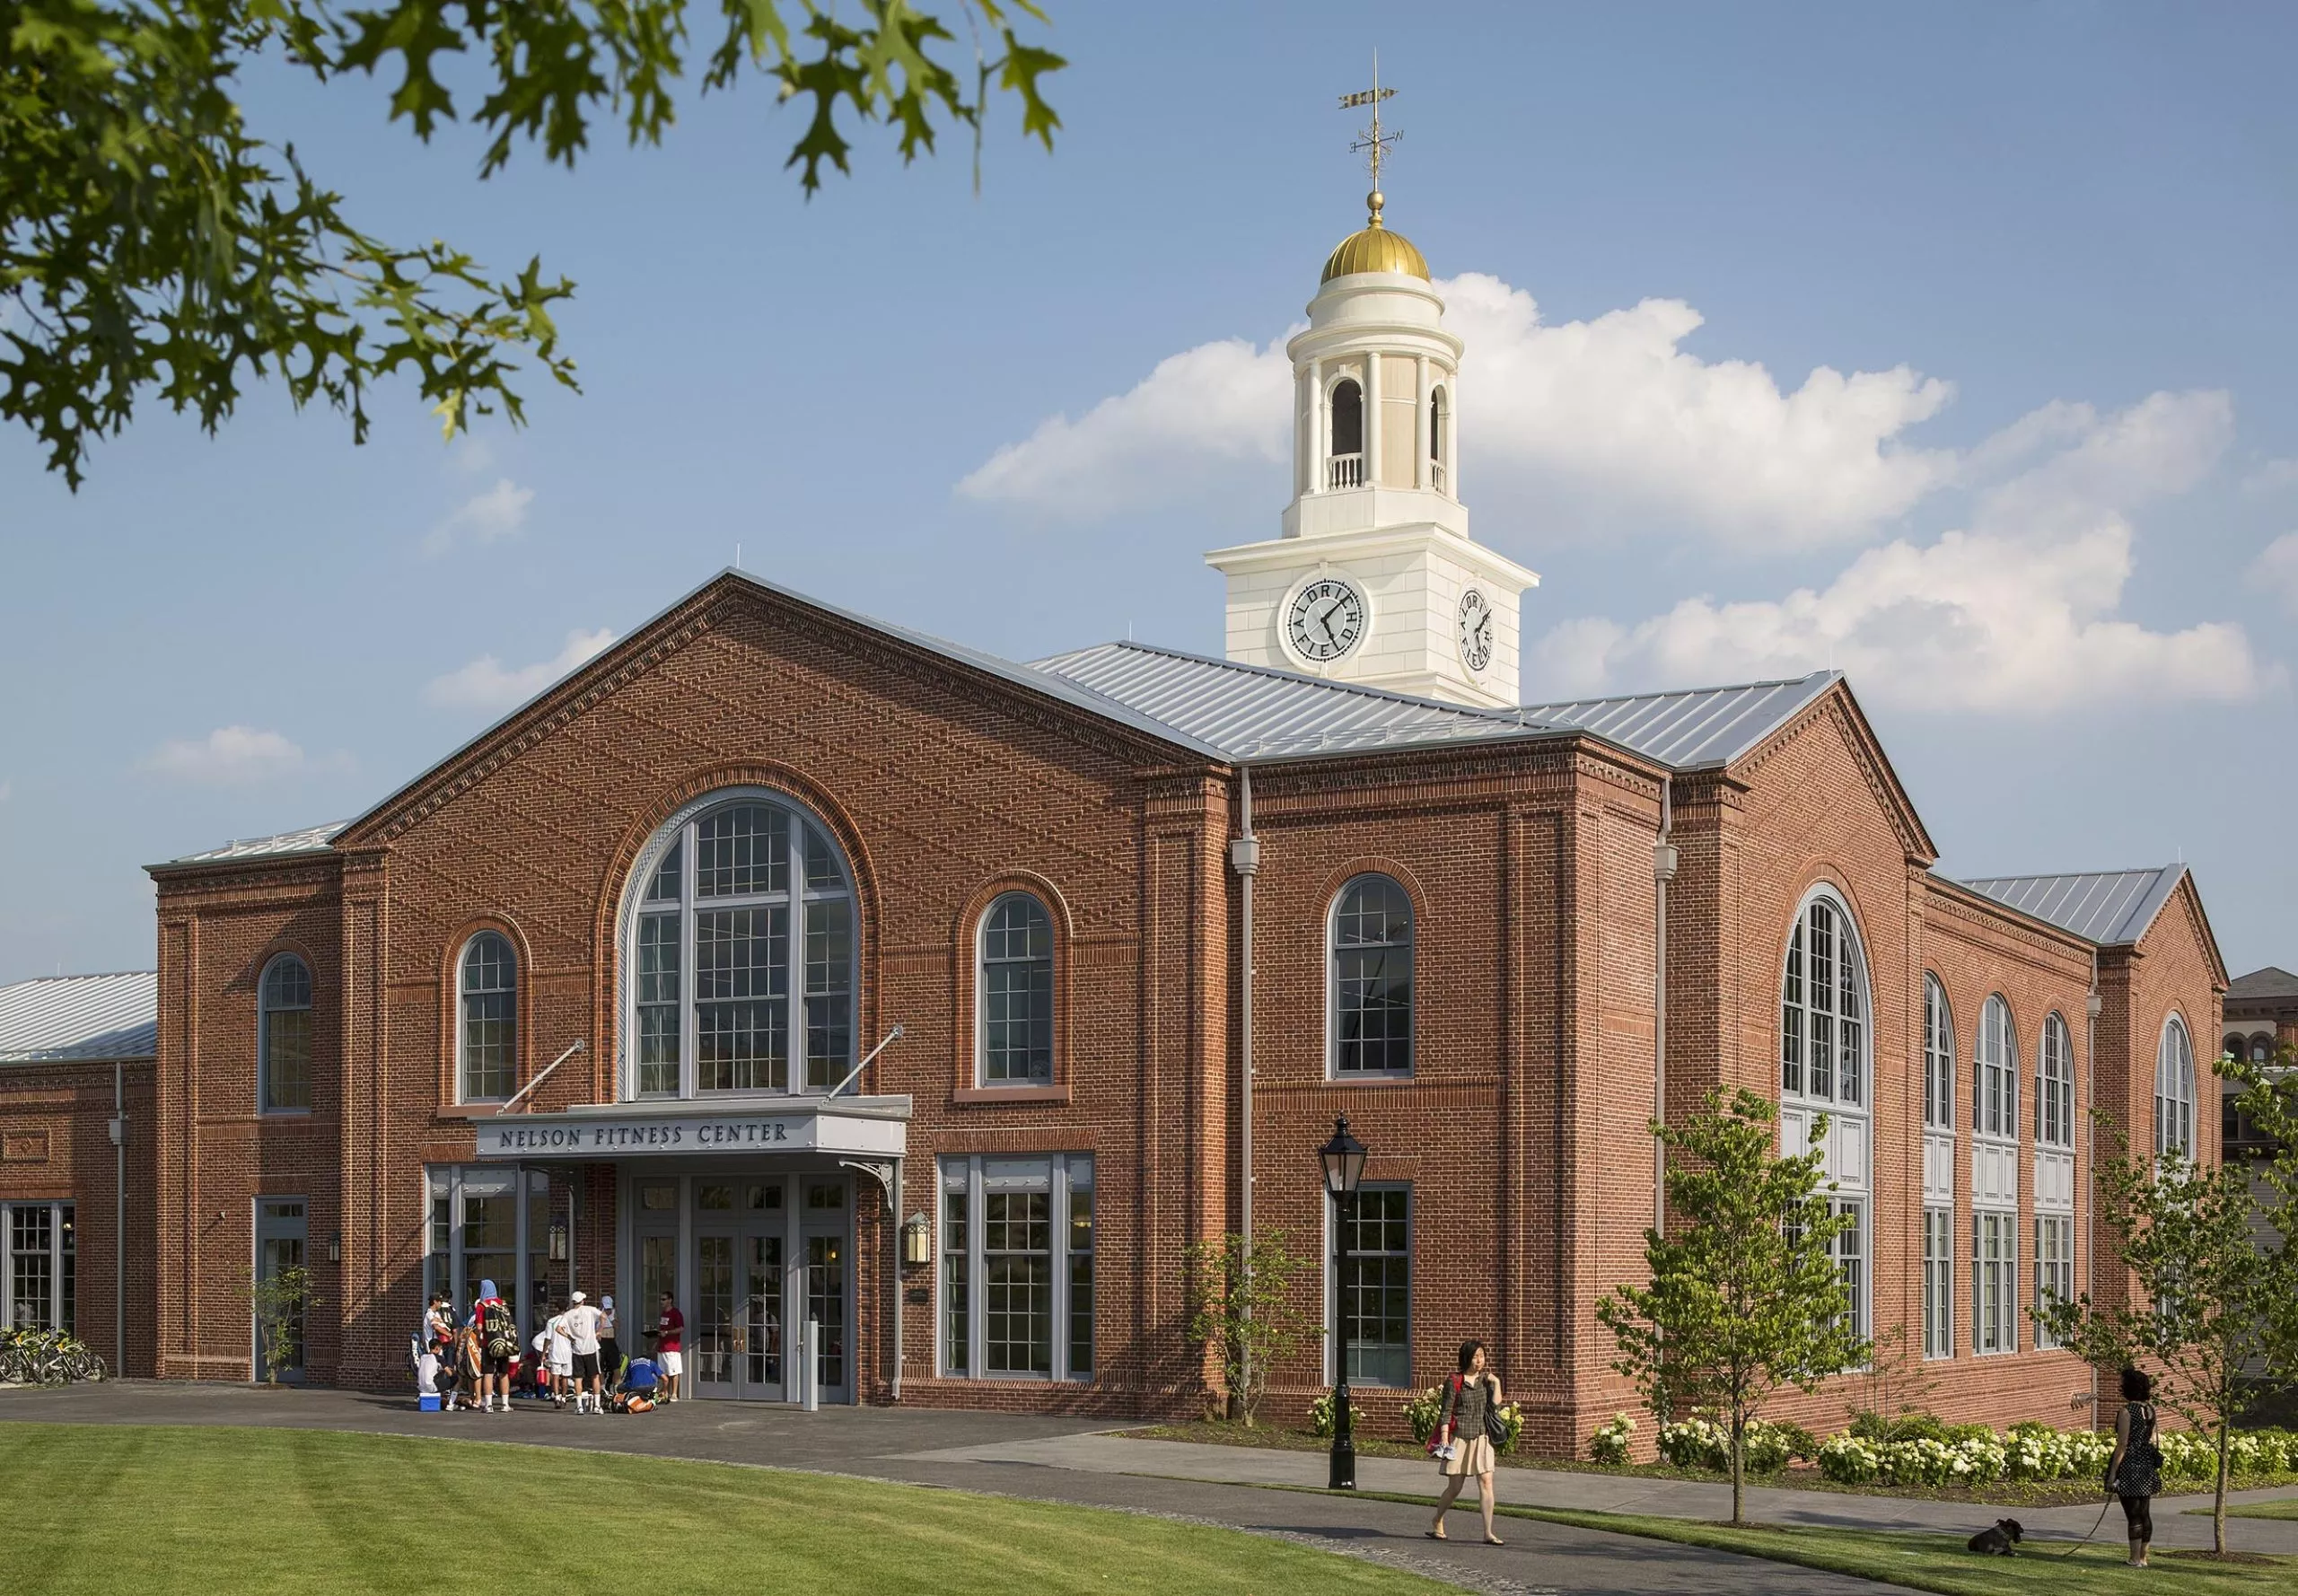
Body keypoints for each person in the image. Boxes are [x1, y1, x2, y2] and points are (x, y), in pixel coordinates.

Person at [1425, 1339, 1505, 1546]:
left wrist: (1496, 1383)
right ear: (1466, 1358)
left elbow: (1495, 1406)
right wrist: (1444, 1438)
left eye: (1482, 1356)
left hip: (1482, 1437)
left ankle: (1488, 1532)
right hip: (1459, 1438)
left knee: (1486, 1482)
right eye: (1475, 1356)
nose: (1480, 1361)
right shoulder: (1455, 1381)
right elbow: (1446, 1412)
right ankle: (1437, 1519)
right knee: (1455, 1487)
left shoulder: (1485, 1380)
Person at [2106, 1365, 2163, 1568]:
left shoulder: (2127, 1412)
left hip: (2129, 1466)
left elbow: (2122, 1444)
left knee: (2133, 1514)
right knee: (2144, 1512)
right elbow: (2153, 1437)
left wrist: (2113, 1473)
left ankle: (2133, 1558)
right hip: (2146, 1465)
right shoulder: (2149, 1410)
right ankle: (2143, 1557)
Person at [470, 1279, 517, 1413]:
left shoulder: (482, 1305)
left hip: (488, 1343)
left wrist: (479, 1337)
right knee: (504, 1373)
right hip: (503, 1342)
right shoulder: (502, 1303)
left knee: (488, 1373)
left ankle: (489, 1405)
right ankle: (505, 1404)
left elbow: (479, 1327)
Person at [562, 1290, 605, 1415]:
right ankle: (597, 1405)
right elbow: (603, 1316)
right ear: (583, 1301)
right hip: (591, 1347)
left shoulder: (568, 1314)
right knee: (595, 1376)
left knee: (578, 1378)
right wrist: (599, 1330)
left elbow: (558, 1328)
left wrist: (569, 1337)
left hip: (577, 1349)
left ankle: (580, 1406)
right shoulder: (590, 1310)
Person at [653, 1292, 685, 1402]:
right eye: (661, 1299)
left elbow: (681, 1328)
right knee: (663, 1372)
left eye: (664, 1299)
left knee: (674, 1371)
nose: (661, 1301)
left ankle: (674, 1393)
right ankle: (665, 1392)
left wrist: (667, 1332)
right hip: (662, 1347)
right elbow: (662, 1329)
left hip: (672, 1347)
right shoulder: (663, 1314)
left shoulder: (676, 1313)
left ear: (670, 1300)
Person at [597, 1294, 624, 1396]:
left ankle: (617, 1387)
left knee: (616, 1366)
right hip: (601, 1342)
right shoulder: (598, 1314)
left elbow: (617, 1325)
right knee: (601, 1367)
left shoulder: (613, 1313)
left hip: (611, 1341)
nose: (608, 1310)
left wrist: (611, 1317)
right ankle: (602, 1388)